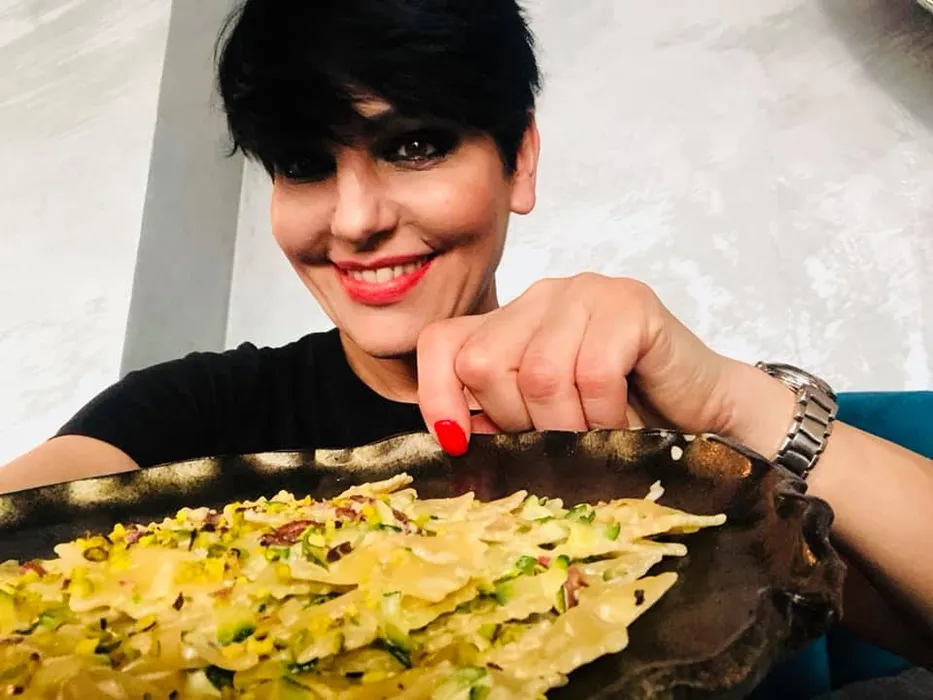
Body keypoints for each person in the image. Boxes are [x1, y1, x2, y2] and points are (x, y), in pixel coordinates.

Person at [2, 0, 932, 681]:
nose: (355, 219)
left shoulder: (646, 413)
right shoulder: (190, 415)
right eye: (304, 163)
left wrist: (732, 401)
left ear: (518, 158)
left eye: (414, 145)